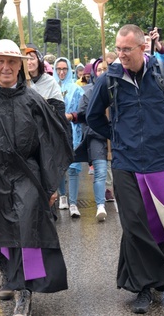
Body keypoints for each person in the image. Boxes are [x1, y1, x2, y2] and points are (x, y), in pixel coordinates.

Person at [0, 39, 73, 315]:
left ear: (20, 66)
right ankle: (7, 273)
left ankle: (23, 289)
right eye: (0, 61)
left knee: (25, 227)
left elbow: (49, 141)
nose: (6, 67)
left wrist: (50, 184)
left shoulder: (33, 100)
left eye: (11, 62)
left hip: (26, 175)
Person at [86, 24, 164, 314]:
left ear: (142, 48)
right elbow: (93, 116)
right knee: (135, 226)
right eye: (118, 49)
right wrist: (116, 136)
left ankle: (137, 275)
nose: (120, 55)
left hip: (163, 160)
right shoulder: (109, 78)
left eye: (126, 49)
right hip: (126, 163)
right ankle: (146, 286)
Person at [74, 61, 108, 221]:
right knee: (100, 172)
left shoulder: (120, 89)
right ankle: (100, 205)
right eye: (99, 70)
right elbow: (82, 114)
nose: (102, 72)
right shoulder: (88, 93)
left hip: (117, 138)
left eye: (105, 69)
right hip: (96, 136)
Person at [54, 57, 85, 217]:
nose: (61, 72)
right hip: (55, 131)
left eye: (65, 69)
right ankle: (62, 196)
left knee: (73, 167)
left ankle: (73, 203)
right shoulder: (51, 87)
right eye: (58, 68)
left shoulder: (76, 88)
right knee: (59, 167)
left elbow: (82, 111)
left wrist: (71, 116)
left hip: (72, 130)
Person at [24, 43, 64, 116]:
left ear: (38, 59)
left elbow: (59, 110)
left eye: (32, 58)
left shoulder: (50, 82)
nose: (29, 62)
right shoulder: (20, 82)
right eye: (26, 59)